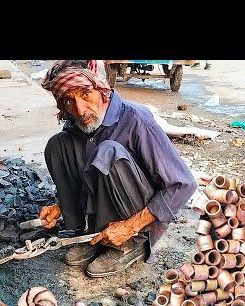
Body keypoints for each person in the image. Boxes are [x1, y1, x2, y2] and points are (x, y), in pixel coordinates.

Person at [39, 60, 197, 277]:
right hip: (101, 215)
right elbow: (87, 173)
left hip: (137, 219)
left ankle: (131, 245)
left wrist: (130, 227)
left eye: (85, 94)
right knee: (58, 145)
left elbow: (183, 184)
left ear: (100, 88)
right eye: (68, 101)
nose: (80, 110)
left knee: (108, 152)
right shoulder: (77, 123)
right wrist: (61, 205)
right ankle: (88, 234)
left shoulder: (136, 119)